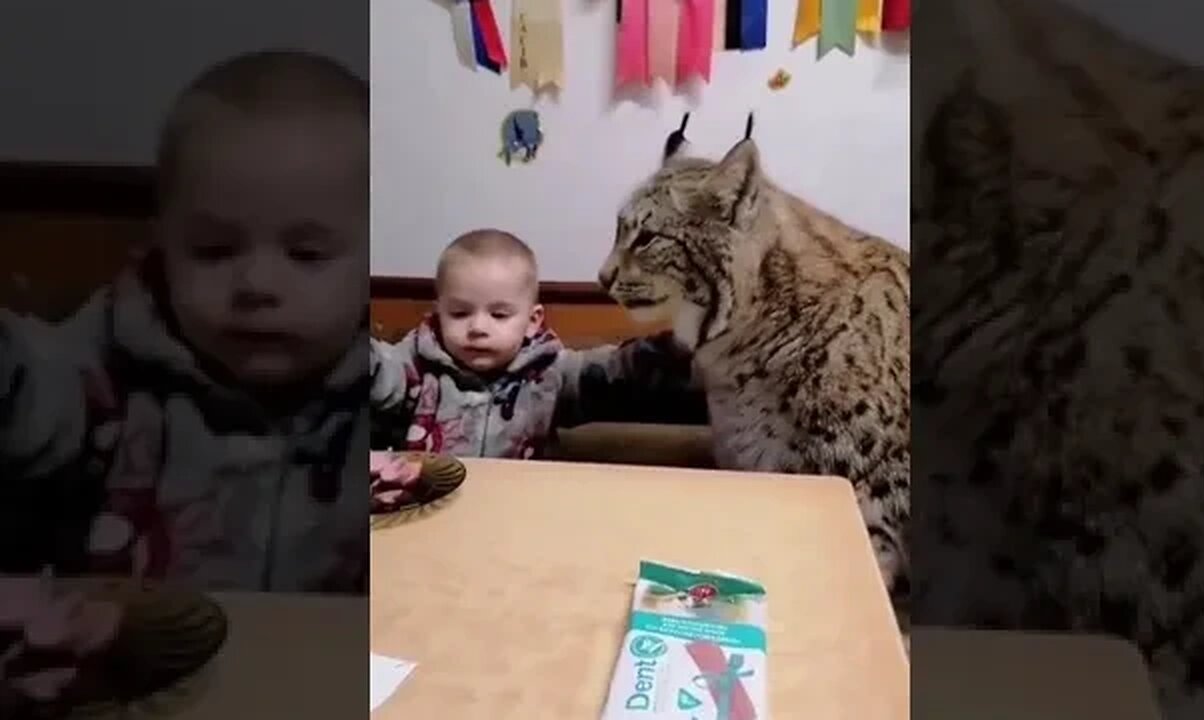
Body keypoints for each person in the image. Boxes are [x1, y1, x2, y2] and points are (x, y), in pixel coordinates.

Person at [0, 49, 371, 594]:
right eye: (214, 250)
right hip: (136, 662)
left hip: (331, 669)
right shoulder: (115, 349)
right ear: (162, 245)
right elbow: (39, 398)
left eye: (306, 255)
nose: (255, 285)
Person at [369, 229, 705, 473]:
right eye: (459, 313)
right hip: (430, 506)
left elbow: (612, 372)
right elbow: (380, 373)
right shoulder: (415, 364)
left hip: (522, 509)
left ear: (532, 321)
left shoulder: (549, 370)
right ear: (438, 311)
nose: (478, 327)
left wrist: (674, 346)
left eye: (499, 314)